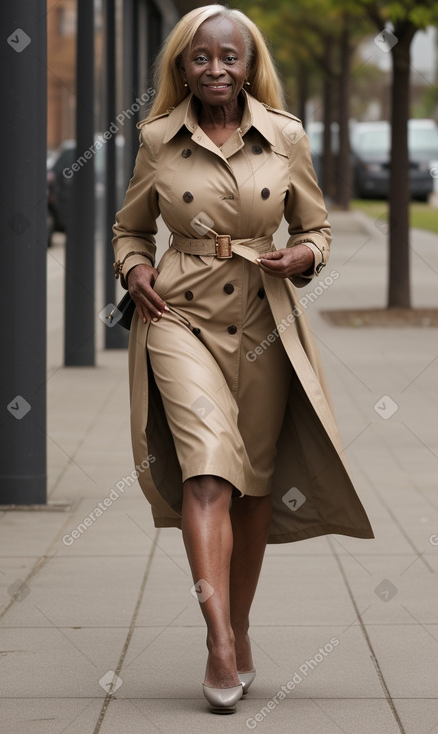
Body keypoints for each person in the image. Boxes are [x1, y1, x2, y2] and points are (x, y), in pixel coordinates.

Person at [112, 4, 374, 715]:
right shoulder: (157, 138)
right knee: (207, 475)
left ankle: (242, 619)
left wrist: (307, 254)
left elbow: (314, 223)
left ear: (248, 62)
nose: (215, 69)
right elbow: (130, 228)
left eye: (228, 57)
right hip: (177, 315)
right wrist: (134, 269)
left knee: (253, 488)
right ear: (181, 66)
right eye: (200, 58)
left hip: (262, 320)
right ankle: (219, 639)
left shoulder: (284, 135)